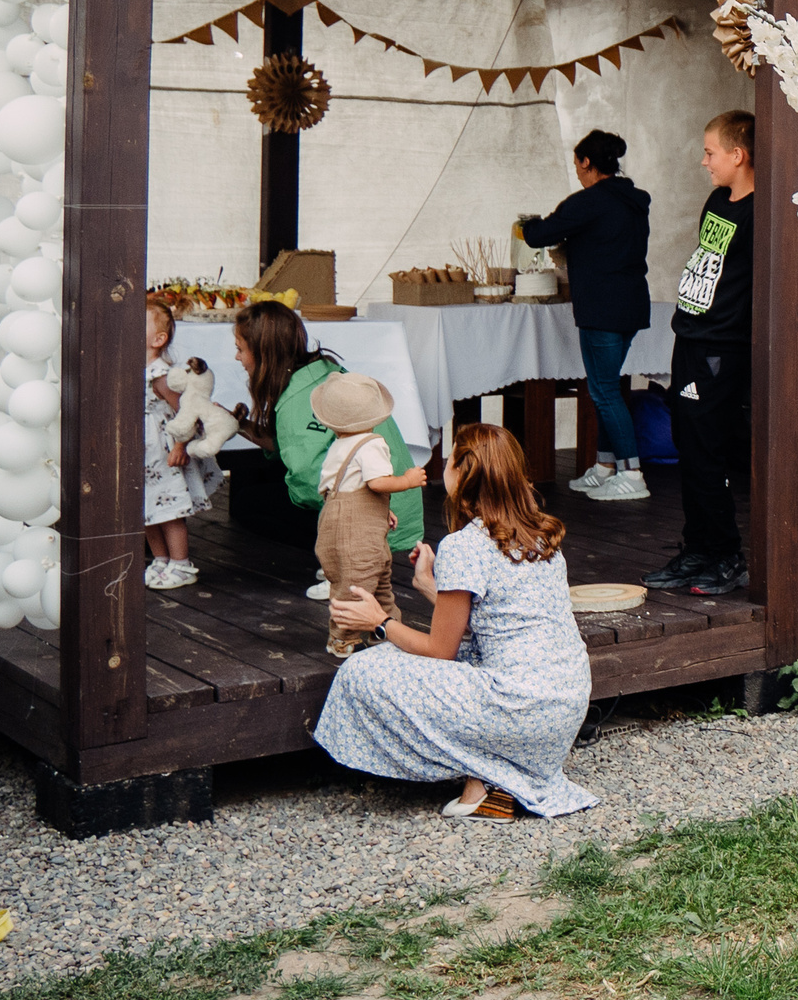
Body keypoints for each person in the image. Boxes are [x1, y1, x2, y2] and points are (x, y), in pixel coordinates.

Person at [319, 424, 596, 820]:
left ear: (464, 473)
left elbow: (440, 651)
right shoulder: (541, 533)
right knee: (468, 653)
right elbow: (498, 617)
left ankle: (486, 773)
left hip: (520, 706)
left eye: (450, 459)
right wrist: (431, 587)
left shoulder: (465, 544)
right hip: (565, 706)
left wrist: (379, 621)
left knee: (364, 670)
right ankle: (499, 775)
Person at [225, 301, 424, 600]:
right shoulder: (320, 371)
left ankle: (337, 563)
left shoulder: (296, 401)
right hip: (393, 501)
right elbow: (292, 445)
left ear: (264, 353)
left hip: (374, 512)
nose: (237, 357)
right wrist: (242, 425)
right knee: (262, 481)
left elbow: (308, 481)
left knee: (246, 504)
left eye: (240, 349)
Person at [644, 111, 757, 596]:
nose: (704, 161)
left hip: (721, 347)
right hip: (689, 335)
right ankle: (698, 549)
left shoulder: (761, 213)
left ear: (738, 154)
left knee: (708, 448)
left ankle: (726, 554)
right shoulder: (717, 201)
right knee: (688, 445)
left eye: (711, 153)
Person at [520, 129, 653, 503]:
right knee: (606, 387)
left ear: (588, 162)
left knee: (604, 390)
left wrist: (526, 223)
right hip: (631, 304)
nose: (577, 171)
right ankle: (606, 466)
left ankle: (632, 474)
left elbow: (539, 235)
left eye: (578, 164)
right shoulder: (634, 200)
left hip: (601, 307)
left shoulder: (588, 201)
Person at [310, 374, 427, 657]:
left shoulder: (338, 445)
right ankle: (343, 637)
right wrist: (407, 480)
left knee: (369, 575)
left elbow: (350, 489)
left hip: (339, 519)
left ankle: (383, 629)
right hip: (356, 529)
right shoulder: (371, 443)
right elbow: (377, 483)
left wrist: (382, 510)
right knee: (361, 581)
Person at [141, 296, 209, 591]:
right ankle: (160, 558)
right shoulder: (130, 369)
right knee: (146, 507)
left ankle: (181, 563)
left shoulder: (162, 376)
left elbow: (187, 412)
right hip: (142, 452)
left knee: (169, 509)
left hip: (162, 451)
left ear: (158, 339)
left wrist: (180, 447)